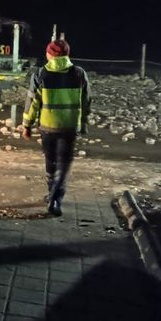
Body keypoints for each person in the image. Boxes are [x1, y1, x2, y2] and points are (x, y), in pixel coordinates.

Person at [21, 39, 91, 216]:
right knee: (63, 165)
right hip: (69, 128)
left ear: (49, 55)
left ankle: (51, 193)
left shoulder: (40, 74)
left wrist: (26, 125)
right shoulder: (79, 73)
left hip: (48, 127)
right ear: (67, 55)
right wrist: (83, 124)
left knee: (50, 162)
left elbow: (32, 103)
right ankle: (55, 199)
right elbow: (86, 101)